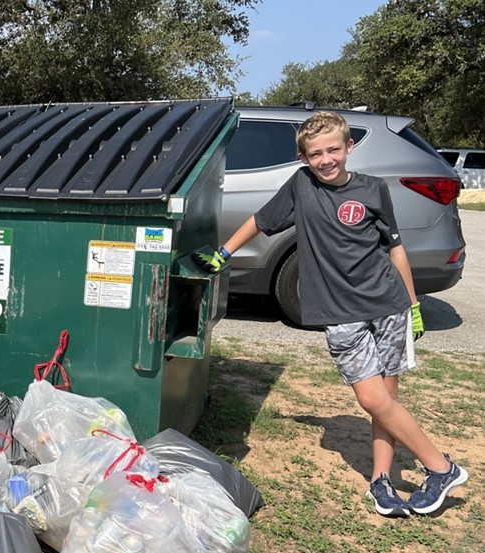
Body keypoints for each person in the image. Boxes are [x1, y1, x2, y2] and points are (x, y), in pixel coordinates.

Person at [194, 111, 468, 517]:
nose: (325, 159)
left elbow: (394, 249)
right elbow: (260, 220)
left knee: (385, 402)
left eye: (333, 150)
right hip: (341, 313)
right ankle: (441, 468)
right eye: (315, 153)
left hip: (388, 305)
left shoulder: (374, 189)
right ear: (304, 158)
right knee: (373, 398)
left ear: (348, 147)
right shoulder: (301, 186)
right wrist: (224, 253)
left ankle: (382, 482)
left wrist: (412, 306)